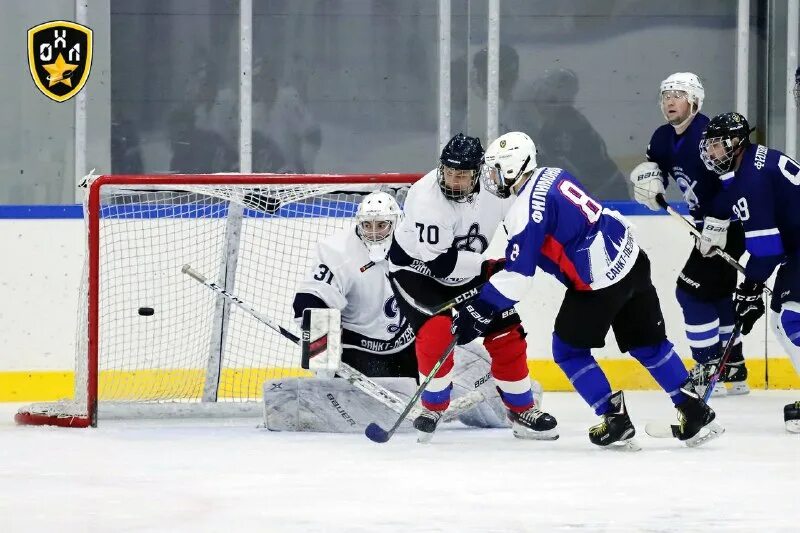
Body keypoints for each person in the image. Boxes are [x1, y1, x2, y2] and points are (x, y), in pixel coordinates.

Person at [452, 131, 723, 448]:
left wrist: (479, 310)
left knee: (568, 351)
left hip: (599, 284)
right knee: (649, 344)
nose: (491, 177)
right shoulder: (553, 173)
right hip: (632, 261)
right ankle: (692, 408)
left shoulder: (524, 209)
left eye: (496, 169)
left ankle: (614, 418)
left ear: (512, 168)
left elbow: (518, 277)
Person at [285, 190, 520, 433]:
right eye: (368, 225)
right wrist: (320, 353)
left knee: (474, 365)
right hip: (360, 355)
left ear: (397, 223)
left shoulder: (418, 244)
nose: (374, 233)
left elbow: (452, 275)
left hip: (411, 347)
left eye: (382, 225)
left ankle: (515, 400)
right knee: (395, 401)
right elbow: (311, 299)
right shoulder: (339, 252)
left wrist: (484, 271)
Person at [387, 133, 557, 442]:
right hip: (417, 272)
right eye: (449, 171)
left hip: (467, 271)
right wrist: (489, 266)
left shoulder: (497, 190)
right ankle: (433, 407)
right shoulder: (426, 198)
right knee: (437, 333)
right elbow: (439, 265)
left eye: (462, 174)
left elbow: (523, 225)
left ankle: (521, 411)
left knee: (507, 333)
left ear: (478, 172)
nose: (453, 179)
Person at [630, 72, 749, 397]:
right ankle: (734, 367)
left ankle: (708, 364)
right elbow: (653, 166)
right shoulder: (662, 137)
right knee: (718, 295)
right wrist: (651, 184)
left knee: (690, 291)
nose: (670, 101)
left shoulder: (710, 134)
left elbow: (734, 179)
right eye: (666, 94)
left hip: (731, 224)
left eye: (678, 94)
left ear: (694, 100)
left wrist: (719, 222)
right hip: (703, 227)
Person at [698, 112, 800, 433]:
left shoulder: (751, 179)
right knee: (786, 317)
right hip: (795, 253)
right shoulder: (754, 163)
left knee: (789, 319)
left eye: (717, 144)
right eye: (709, 145)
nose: (711, 152)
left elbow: (767, 249)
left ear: (736, 143)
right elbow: (730, 196)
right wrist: (716, 222)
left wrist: (750, 288)